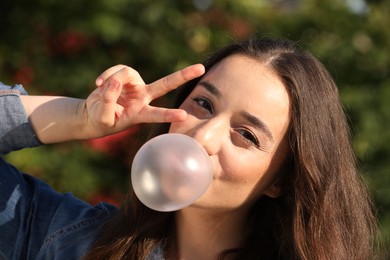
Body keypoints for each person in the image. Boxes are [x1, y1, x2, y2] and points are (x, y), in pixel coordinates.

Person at [0, 36, 378, 259]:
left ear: (281, 180)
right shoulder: (71, 240)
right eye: (203, 104)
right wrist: (78, 117)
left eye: (245, 135)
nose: (203, 137)